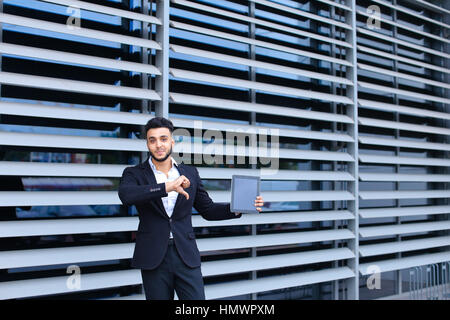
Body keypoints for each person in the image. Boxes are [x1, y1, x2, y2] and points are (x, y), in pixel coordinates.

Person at [118, 117, 264, 300]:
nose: (158, 145)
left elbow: (208, 210)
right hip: (153, 256)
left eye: (163, 139)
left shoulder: (190, 173)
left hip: (185, 254)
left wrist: (239, 208)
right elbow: (127, 195)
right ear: (147, 144)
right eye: (152, 140)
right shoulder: (134, 173)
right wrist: (167, 187)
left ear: (172, 141)